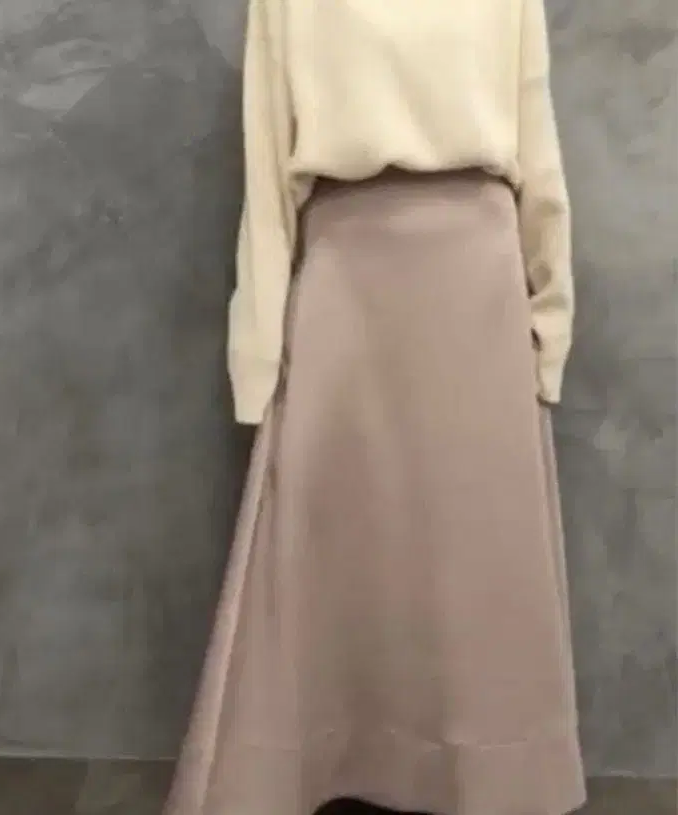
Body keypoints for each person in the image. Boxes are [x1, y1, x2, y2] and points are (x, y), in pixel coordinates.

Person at [164, 0, 587, 813]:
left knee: (476, 549)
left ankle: (483, 773)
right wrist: (256, 349)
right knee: (328, 531)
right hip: (347, 276)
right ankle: (323, 760)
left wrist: (550, 315)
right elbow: (266, 167)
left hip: (475, 283)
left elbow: (538, 151)